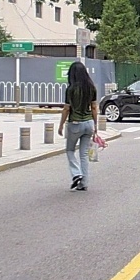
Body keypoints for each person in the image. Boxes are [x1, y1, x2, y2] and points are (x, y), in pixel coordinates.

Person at [57, 61, 102, 191]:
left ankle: (76, 174)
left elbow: (66, 109)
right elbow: (94, 107)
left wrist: (61, 125)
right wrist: (95, 125)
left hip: (75, 123)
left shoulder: (71, 89)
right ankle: (84, 183)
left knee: (70, 150)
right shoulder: (91, 88)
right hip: (89, 123)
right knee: (84, 154)